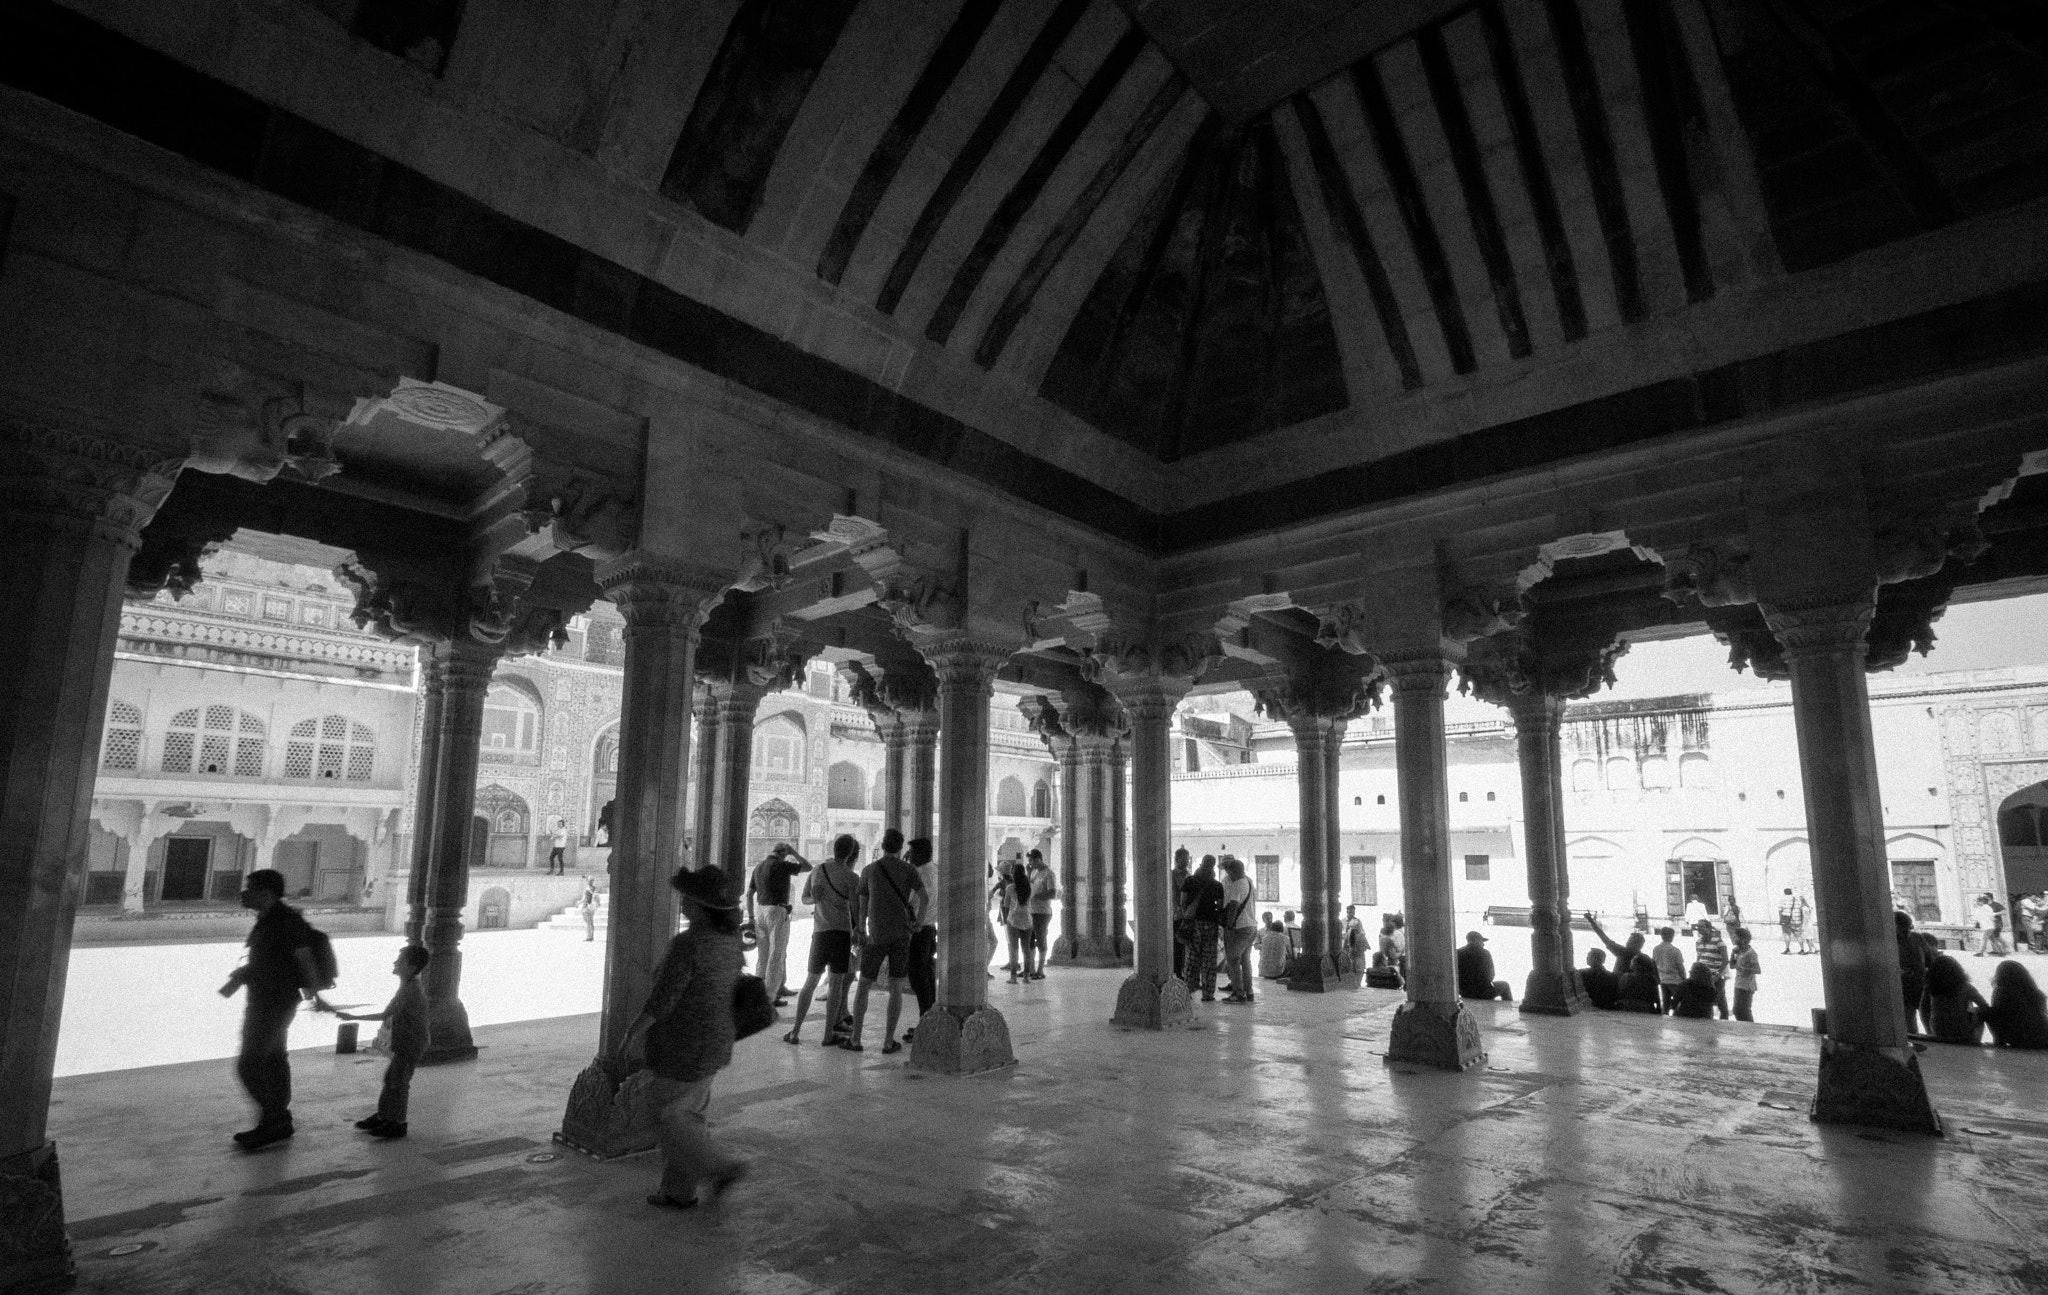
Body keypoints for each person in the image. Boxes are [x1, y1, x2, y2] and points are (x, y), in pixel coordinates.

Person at [622, 867, 746, 1211]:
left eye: (688, 899)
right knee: (688, 1115)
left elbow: (664, 998)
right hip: (716, 1040)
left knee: (666, 1116)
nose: (682, 904)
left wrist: (633, 1032)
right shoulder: (729, 941)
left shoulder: (688, 944)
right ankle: (678, 1191)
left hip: (683, 1043)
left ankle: (722, 1168)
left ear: (702, 907)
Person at [220, 868, 328, 1149]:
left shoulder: (286, 921)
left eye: (250, 888)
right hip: (264, 998)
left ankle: (277, 1117)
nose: (244, 893)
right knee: (274, 1059)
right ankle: (275, 1122)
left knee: (250, 1063)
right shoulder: (269, 919)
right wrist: (244, 973)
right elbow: (272, 958)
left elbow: (304, 959)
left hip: (275, 1002)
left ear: (266, 893)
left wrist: (315, 994)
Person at [336, 946, 431, 1139]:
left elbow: (385, 1014)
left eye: (400, 960)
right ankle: (384, 1116)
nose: (395, 963)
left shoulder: (410, 990)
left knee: (399, 1083)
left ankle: (397, 1124)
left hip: (411, 1043)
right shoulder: (408, 985)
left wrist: (352, 1016)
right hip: (406, 1041)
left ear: (412, 968)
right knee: (391, 1080)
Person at [847, 833, 928, 1053]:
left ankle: (855, 1039)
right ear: (901, 848)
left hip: (876, 936)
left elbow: (862, 906)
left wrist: (861, 929)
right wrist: (918, 923)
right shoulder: (908, 870)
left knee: (864, 984)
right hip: (901, 935)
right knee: (896, 987)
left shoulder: (869, 871)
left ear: (882, 846)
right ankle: (888, 1041)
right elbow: (925, 897)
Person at [784, 835, 863, 1047]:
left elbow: (805, 898)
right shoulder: (851, 877)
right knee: (835, 985)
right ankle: (828, 1034)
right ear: (850, 853)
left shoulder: (818, 870)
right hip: (840, 934)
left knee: (810, 981)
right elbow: (856, 909)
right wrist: (859, 931)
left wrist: (816, 899)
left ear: (834, 848)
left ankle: (795, 1031)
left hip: (820, 933)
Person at [747, 843, 813, 1003]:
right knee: (776, 955)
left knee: (763, 956)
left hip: (760, 911)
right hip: (776, 911)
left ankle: (772, 988)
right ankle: (770, 997)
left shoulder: (759, 867)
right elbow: (807, 867)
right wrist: (794, 853)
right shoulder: (781, 865)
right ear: (783, 853)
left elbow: (749, 894)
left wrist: (750, 918)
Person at [904, 837, 939, 1037]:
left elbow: (909, 901)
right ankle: (929, 1020)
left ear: (918, 854)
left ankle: (925, 1023)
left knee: (918, 978)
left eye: (912, 853)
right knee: (926, 975)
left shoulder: (919, 874)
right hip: (930, 929)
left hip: (919, 929)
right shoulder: (935, 870)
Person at [1920, 953, 1988, 1043]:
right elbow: (1984, 1006)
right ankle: (1975, 1041)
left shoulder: (1930, 988)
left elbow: (1923, 1010)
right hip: (1963, 1033)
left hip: (1938, 1031)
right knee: (1978, 1011)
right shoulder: (1966, 987)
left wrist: (1929, 1031)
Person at [1982, 960, 2048, 1049]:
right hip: (2042, 1036)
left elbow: (1998, 1014)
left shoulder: (2001, 992)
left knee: (1986, 1012)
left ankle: (1998, 1042)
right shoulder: (2037, 993)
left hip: (2017, 1038)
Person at [1185, 856, 1225, 1002]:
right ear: (1213, 866)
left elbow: (1183, 901)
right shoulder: (1217, 885)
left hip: (1193, 923)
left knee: (1191, 958)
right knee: (1209, 959)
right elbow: (1220, 905)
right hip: (1210, 923)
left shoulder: (1189, 881)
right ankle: (1208, 994)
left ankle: (1188, 990)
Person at [1219, 857, 1258, 1003]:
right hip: (1252, 925)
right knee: (1245, 959)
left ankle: (1238, 992)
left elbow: (1233, 906)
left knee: (1233, 958)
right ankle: (1249, 991)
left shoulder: (1236, 884)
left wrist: (1228, 925)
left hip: (1240, 927)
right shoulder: (1249, 882)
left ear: (1233, 871)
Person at [1025, 849, 1057, 979]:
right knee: (1030, 940)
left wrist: (1036, 897)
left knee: (1041, 938)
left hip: (1042, 912)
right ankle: (1031, 968)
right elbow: (1029, 886)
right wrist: (1028, 873)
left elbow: (1052, 893)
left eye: (1031, 861)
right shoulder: (1035, 873)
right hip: (1032, 910)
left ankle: (1040, 970)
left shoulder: (1049, 874)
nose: (1030, 864)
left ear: (1038, 859)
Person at [1455, 931, 1512, 1001]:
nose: (1483, 943)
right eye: (1481, 941)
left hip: (1465, 992)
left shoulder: (1458, 952)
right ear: (1476, 940)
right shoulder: (1485, 953)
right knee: (1505, 985)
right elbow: (1490, 975)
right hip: (1482, 992)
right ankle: (1510, 1008)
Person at [1000, 862, 1033, 983]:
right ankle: (1026, 977)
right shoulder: (1029, 887)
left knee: (1014, 949)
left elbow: (1006, 904)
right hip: (1027, 920)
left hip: (1013, 920)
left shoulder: (1010, 888)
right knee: (1026, 949)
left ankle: (1013, 977)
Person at [1896, 910, 1930, 1023]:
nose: (1906, 932)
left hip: (1921, 982)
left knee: (1927, 1016)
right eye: (1903, 929)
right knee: (1909, 1020)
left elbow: (1929, 959)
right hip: (1903, 985)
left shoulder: (1917, 938)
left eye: (1908, 929)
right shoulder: (1889, 942)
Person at [1694, 922, 1730, 1020]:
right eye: (1698, 927)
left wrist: (1717, 975)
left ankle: (1724, 1020)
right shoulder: (1698, 942)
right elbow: (1699, 958)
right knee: (1706, 1000)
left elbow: (1725, 960)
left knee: (1720, 999)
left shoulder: (1719, 942)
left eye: (1702, 927)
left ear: (1709, 928)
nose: (1699, 929)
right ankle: (1708, 1019)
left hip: (1715, 976)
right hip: (1702, 976)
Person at [1728, 926, 1761, 1022]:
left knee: (1744, 1010)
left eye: (1736, 937)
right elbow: (1731, 965)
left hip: (1747, 986)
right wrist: (1733, 954)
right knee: (1737, 1010)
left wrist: (1743, 969)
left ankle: (1749, 1027)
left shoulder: (1751, 953)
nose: (1734, 939)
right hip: (1738, 983)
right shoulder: (1737, 950)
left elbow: (1757, 970)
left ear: (1743, 939)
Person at [1651, 927, 1686, 1014]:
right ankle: (1677, 1017)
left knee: (1665, 1002)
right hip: (1675, 980)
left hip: (1662, 979)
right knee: (1678, 1001)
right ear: (1671, 936)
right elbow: (1680, 966)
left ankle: (1665, 1017)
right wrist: (1684, 980)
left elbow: (1654, 965)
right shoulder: (1675, 950)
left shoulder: (1655, 949)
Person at [1170, 848, 1193, 980]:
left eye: (1187, 860)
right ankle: (1177, 972)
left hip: (1186, 915)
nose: (1186, 862)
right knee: (1177, 946)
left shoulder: (1189, 876)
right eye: (1183, 860)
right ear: (1176, 860)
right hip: (1175, 915)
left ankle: (1184, 972)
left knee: (1186, 946)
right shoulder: (1170, 875)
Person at [1259, 915, 1291, 981]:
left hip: (1262, 971)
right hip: (1277, 973)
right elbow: (1291, 953)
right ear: (1282, 929)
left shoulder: (1265, 937)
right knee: (1292, 961)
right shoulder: (1285, 938)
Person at [1776, 888, 1798, 955]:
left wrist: (1780, 919)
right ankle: (1802, 949)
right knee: (1798, 934)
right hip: (1795, 918)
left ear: (1784, 892)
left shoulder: (1782, 899)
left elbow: (1780, 909)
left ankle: (1787, 949)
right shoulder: (1795, 898)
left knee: (1786, 934)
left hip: (1785, 917)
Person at [578, 875, 599, 942]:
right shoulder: (595, 889)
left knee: (587, 922)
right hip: (592, 907)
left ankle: (588, 937)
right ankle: (591, 936)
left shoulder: (587, 890)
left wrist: (578, 903)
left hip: (586, 907)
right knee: (591, 922)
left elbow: (584, 899)